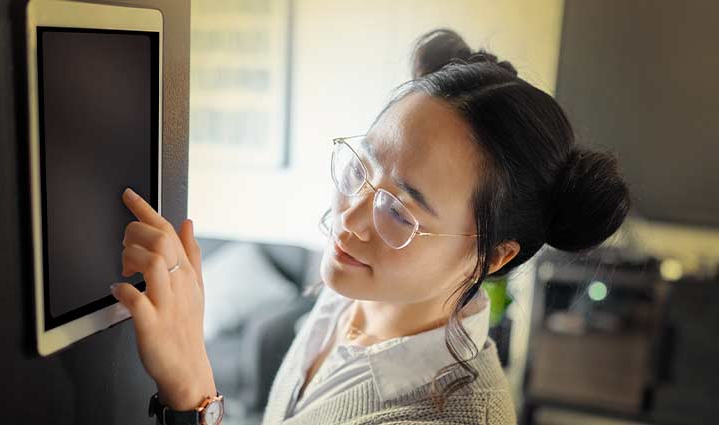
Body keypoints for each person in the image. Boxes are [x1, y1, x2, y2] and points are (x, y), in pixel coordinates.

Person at [110, 28, 631, 424]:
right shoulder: (349, 294)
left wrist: (192, 389)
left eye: (401, 212)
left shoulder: (455, 416)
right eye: (361, 168)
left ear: (493, 256)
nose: (349, 218)